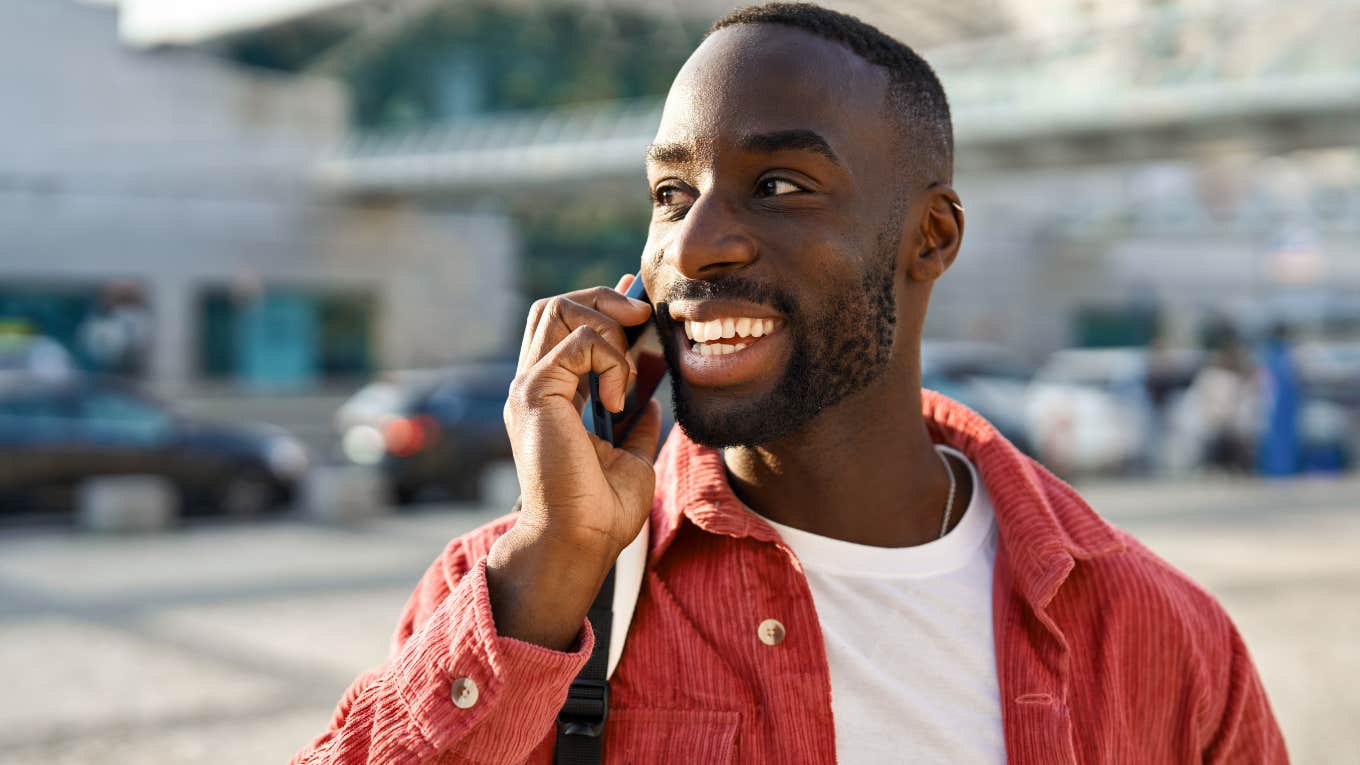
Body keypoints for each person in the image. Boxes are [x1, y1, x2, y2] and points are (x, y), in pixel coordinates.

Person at [294, 5, 1285, 763]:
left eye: (777, 186)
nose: (694, 245)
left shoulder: (1162, 639)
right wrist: (545, 575)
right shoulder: (519, 595)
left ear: (929, 238)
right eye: (671, 194)